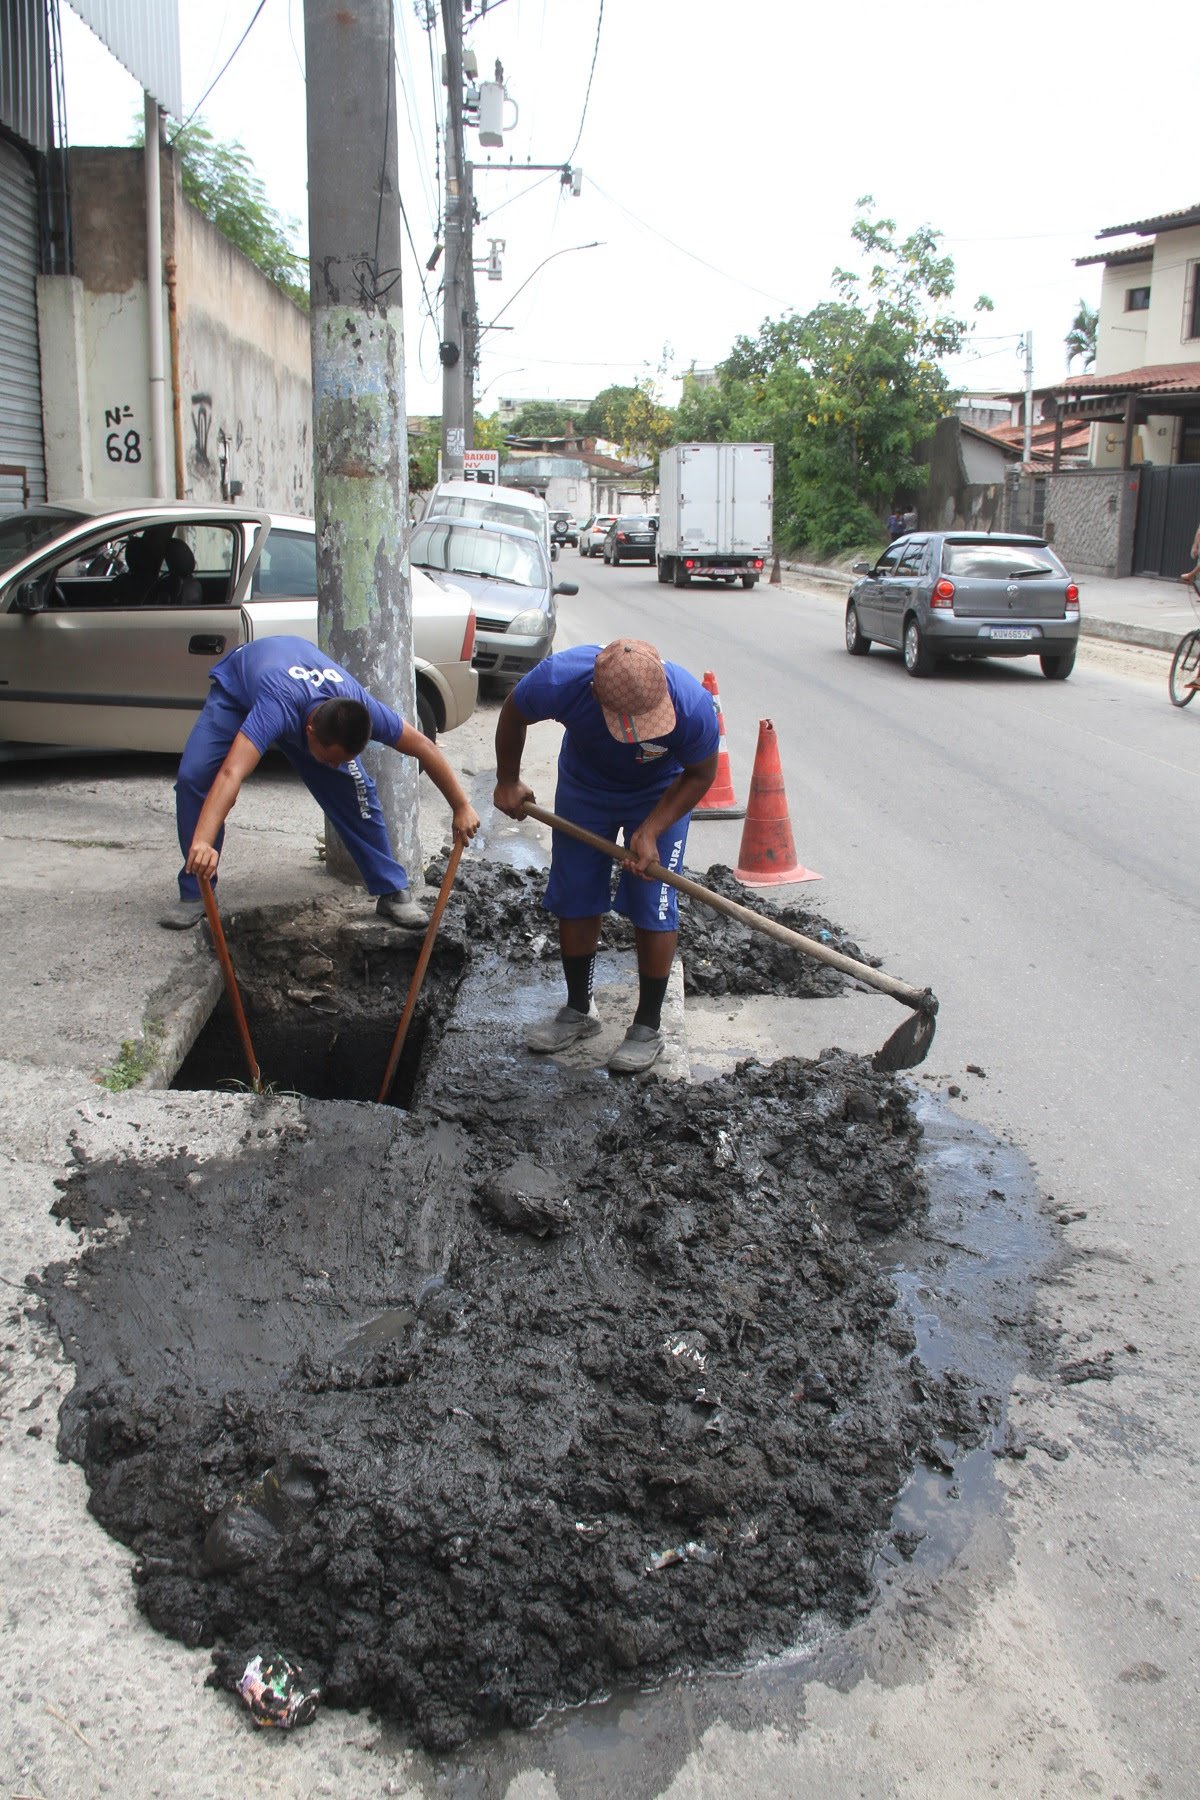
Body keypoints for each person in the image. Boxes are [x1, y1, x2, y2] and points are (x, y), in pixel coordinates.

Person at [493, 638, 719, 1074]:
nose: (637, 733)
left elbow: (701, 773)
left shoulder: (692, 705)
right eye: (626, 723)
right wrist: (507, 779)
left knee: (653, 903)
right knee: (576, 892)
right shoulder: (561, 680)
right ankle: (580, 1010)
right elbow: (513, 711)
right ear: (594, 692)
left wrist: (651, 829)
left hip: (661, 793)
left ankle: (648, 1026)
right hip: (586, 787)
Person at [160, 635, 479, 930]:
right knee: (195, 777)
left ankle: (391, 889)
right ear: (308, 731)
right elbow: (231, 773)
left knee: (355, 786)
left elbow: (423, 746)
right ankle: (196, 891)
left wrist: (461, 805)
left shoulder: (357, 706)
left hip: (299, 685)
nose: (334, 765)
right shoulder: (276, 708)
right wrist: (202, 840)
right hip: (242, 688)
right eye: (330, 759)